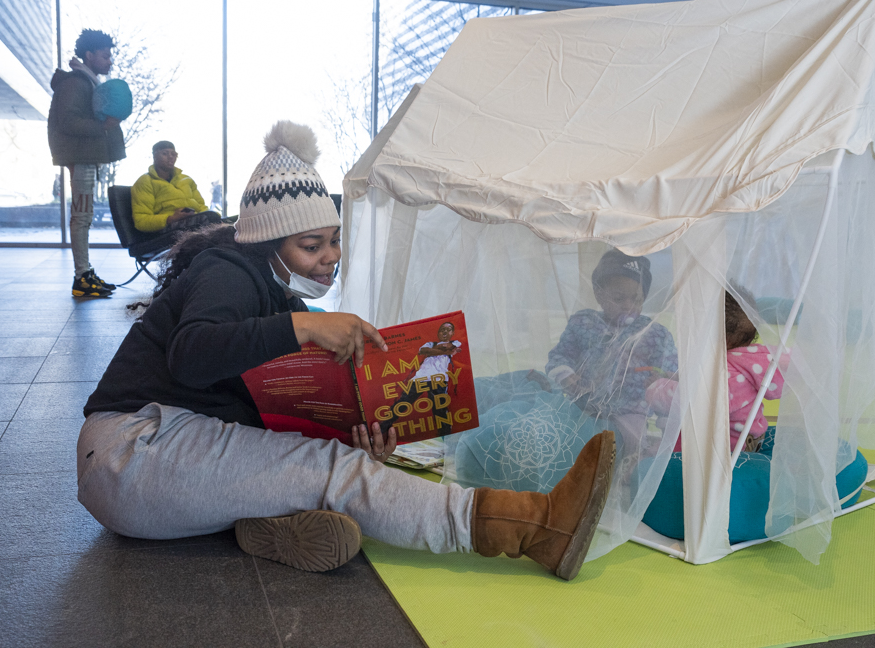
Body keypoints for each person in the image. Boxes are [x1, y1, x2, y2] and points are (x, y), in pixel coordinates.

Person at [76, 120, 616, 581]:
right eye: (311, 246)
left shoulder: (278, 295)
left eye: (334, 239)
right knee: (333, 472)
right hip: (133, 449)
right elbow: (191, 356)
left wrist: (358, 434)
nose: (330, 257)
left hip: (168, 460)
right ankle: (533, 526)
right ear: (268, 245)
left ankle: (267, 521)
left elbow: (268, 410)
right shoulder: (228, 273)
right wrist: (303, 330)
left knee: (333, 461)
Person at [646, 288, 788, 452]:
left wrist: (656, 388)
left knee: (658, 453)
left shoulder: (725, 375)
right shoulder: (745, 362)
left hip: (729, 449)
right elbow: (700, 386)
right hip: (745, 439)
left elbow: (684, 401)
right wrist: (675, 378)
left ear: (716, 337)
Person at [546, 249, 678, 417]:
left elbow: (672, 368)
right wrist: (565, 375)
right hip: (584, 405)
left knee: (630, 440)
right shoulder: (583, 324)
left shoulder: (654, 334)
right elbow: (561, 354)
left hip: (632, 411)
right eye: (618, 299)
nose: (627, 306)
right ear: (599, 295)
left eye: (636, 300)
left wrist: (663, 380)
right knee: (582, 439)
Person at [48, 29, 125, 298]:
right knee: (81, 218)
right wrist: (103, 126)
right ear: (89, 55)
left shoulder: (86, 82)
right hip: (80, 157)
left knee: (84, 217)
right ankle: (81, 277)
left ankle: (86, 272)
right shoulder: (76, 83)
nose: (109, 62)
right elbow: (68, 121)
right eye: (105, 56)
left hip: (85, 156)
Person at [381, 321, 461, 436]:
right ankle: (382, 429)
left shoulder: (455, 342)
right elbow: (423, 351)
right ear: (438, 333)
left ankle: (445, 438)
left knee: (440, 411)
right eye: (442, 329)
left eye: (448, 329)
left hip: (438, 380)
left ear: (452, 332)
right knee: (402, 404)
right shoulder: (430, 343)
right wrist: (444, 350)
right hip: (420, 378)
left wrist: (437, 350)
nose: (444, 331)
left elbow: (449, 348)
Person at [131, 141, 222, 233]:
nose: (170, 157)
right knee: (210, 222)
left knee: (231, 222)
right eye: (165, 153)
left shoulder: (186, 179)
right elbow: (141, 221)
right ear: (154, 156)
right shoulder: (145, 182)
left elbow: (201, 207)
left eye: (173, 154)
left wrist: (213, 217)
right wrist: (171, 218)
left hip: (194, 221)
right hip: (165, 228)